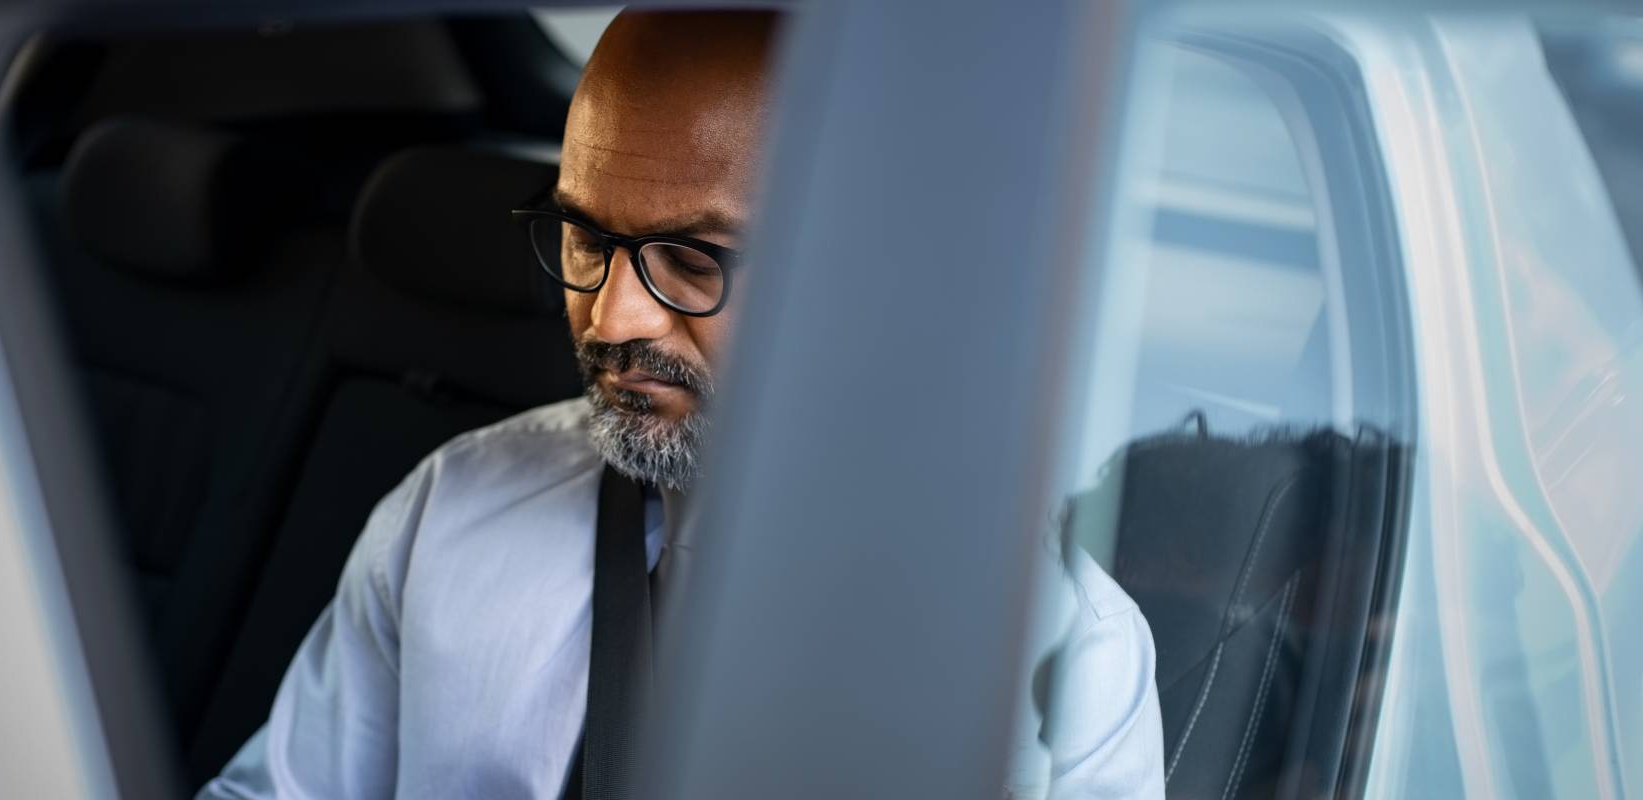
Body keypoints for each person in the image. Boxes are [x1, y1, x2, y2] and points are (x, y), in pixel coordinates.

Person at [199, 10, 1162, 799]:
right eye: (583, 240)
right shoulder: (450, 510)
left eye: (697, 260)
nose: (614, 317)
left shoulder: (1057, 657)